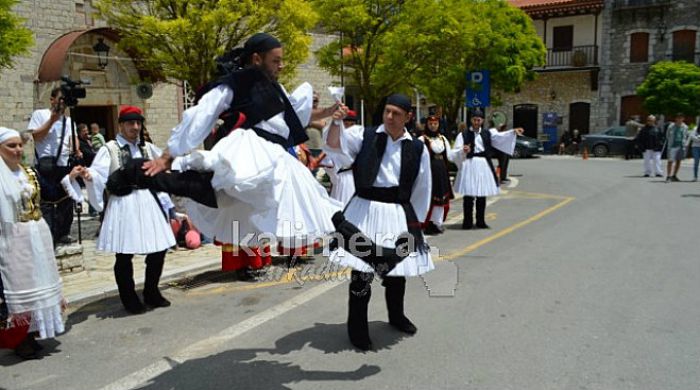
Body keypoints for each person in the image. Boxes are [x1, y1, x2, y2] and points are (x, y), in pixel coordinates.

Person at [137, 32, 342, 275]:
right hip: (251, 150)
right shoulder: (234, 84)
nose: (281, 65)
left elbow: (294, 119)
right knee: (227, 196)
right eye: (276, 60)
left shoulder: (276, 88)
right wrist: (166, 156)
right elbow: (202, 114)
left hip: (278, 157)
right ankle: (165, 179)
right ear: (257, 59)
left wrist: (329, 111)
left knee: (297, 208)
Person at [324, 94, 433, 351]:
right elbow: (335, 146)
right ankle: (357, 329)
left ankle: (396, 316)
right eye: (387, 111)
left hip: (397, 213)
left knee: (396, 273)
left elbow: (422, 187)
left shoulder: (417, 148)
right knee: (361, 272)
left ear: (408, 117)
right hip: (365, 210)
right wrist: (336, 123)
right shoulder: (365, 134)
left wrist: (414, 224)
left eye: (396, 113)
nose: (389, 117)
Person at [63, 106, 175, 314]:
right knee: (124, 254)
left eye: (138, 123)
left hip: (148, 200)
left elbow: (165, 166)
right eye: (130, 123)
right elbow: (98, 173)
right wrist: (89, 177)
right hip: (124, 204)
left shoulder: (148, 148)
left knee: (158, 249)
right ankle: (129, 298)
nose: (135, 127)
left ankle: (151, 291)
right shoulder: (110, 149)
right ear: (121, 125)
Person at [0, 127, 65, 359]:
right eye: (11, 146)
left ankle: (33, 332)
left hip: (37, 234)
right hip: (11, 238)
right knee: (19, 286)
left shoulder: (29, 172)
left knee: (39, 280)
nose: (18, 150)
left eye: (19, 145)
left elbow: (50, 193)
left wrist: (71, 178)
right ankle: (19, 338)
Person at [449, 109, 523, 229]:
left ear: (482, 120)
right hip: (469, 163)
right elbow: (455, 152)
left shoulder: (488, 133)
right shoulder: (463, 134)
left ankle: (480, 221)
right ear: (471, 120)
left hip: (483, 164)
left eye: (479, 120)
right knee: (468, 195)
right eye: (474, 120)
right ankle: (467, 221)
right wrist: (463, 150)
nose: (476, 122)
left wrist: (513, 132)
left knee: (481, 194)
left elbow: (501, 137)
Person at [28, 87, 82, 246]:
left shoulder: (68, 121)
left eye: (65, 100)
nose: (62, 103)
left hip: (64, 165)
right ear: (52, 99)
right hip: (46, 165)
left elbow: (72, 138)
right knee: (47, 202)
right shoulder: (40, 115)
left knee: (66, 200)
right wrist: (52, 119)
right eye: (60, 99)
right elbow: (36, 136)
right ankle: (48, 234)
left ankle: (64, 232)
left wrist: (77, 149)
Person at [419, 115, 453, 235]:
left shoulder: (442, 138)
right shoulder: (422, 139)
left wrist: (462, 153)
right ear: (427, 125)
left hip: (442, 172)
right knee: (431, 198)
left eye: (435, 124)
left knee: (441, 198)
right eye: (431, 124)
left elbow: (450, 155)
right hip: (430, 172)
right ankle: (428, 223)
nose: (433, 126)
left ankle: (437, 223)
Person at [323, 109, 362, 205]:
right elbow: (328, 163)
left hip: (357, 178)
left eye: (351, 124)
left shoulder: (360, 138)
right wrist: (334, 177)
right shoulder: (333, 139)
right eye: (346, 123)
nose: (348, 127)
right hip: (341, 179)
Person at [664, 113, 688, 182]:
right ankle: (668, 176)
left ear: (683, 119)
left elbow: (686, 136)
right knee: (670, 161)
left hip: (681, 146)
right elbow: (667, 135)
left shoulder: (685, 127)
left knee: (678, 161)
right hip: (672, 146)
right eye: (678, 118)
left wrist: (685, 144)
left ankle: (674, 175)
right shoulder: (671, 126)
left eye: (681, 118)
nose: (679, 119)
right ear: (676, 118)